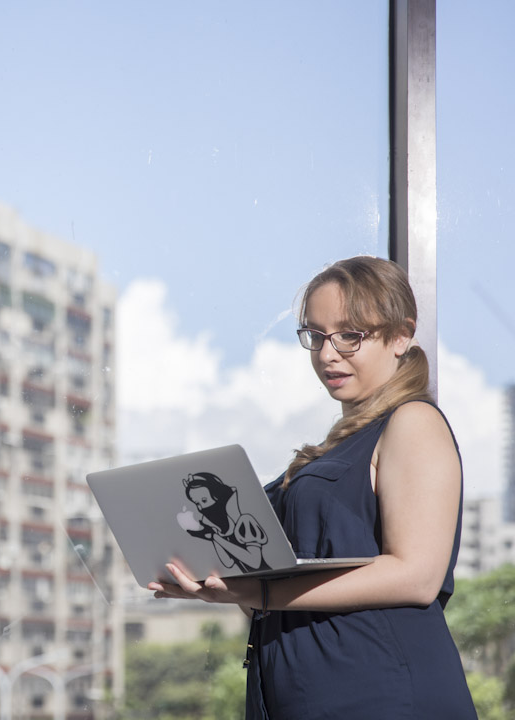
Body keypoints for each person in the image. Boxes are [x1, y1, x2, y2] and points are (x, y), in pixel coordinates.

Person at [148, 256, 476, 719]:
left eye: (349, 335)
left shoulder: (412, 422)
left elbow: (417, 576)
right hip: (305, 693)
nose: (327, 353)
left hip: (381, 692)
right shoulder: (334, 451)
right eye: (315, 335)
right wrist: (214, 578)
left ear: (401, 335)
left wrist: (257, 593)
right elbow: (278, 592)